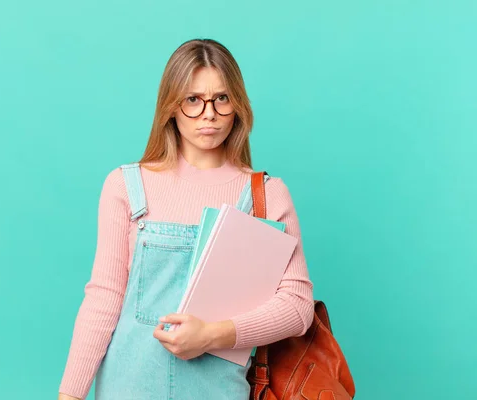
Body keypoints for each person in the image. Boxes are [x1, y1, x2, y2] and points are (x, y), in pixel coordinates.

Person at [57, 38, 314, 400]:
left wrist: (213, 335)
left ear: (237, 105)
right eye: (193, 100)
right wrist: (69, 395)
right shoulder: (127, 186)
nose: (208, 113)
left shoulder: (265, 196)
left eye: (221, 98)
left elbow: (297, 306)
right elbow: (103, 299)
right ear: (171, 106)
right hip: (127, 388)